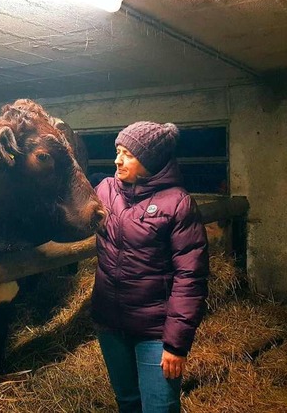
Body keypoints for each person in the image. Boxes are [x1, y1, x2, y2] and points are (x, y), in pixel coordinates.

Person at [92, 121, 209, 413]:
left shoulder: (178, 204)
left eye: (128, 154)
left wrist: (175, 344)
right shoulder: (105, 190)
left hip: (154, 333)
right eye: (117, 151)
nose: (117, 160)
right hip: (111, 325)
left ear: (151, 160)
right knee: (128, 403)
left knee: (159, 406)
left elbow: (190, 278)